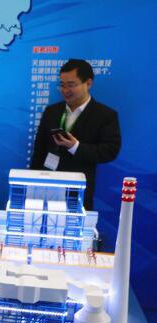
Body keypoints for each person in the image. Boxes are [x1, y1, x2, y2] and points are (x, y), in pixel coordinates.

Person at [30, 58, 121, 210]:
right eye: (62, 85)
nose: (65, 90)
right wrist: (32, 182)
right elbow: (39, 150)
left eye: (71, 85)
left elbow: (110, 151)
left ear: (88, 83)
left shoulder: (105, 115)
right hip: (46, 185)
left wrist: (76, 147)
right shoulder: (52, 111)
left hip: (78, 189)